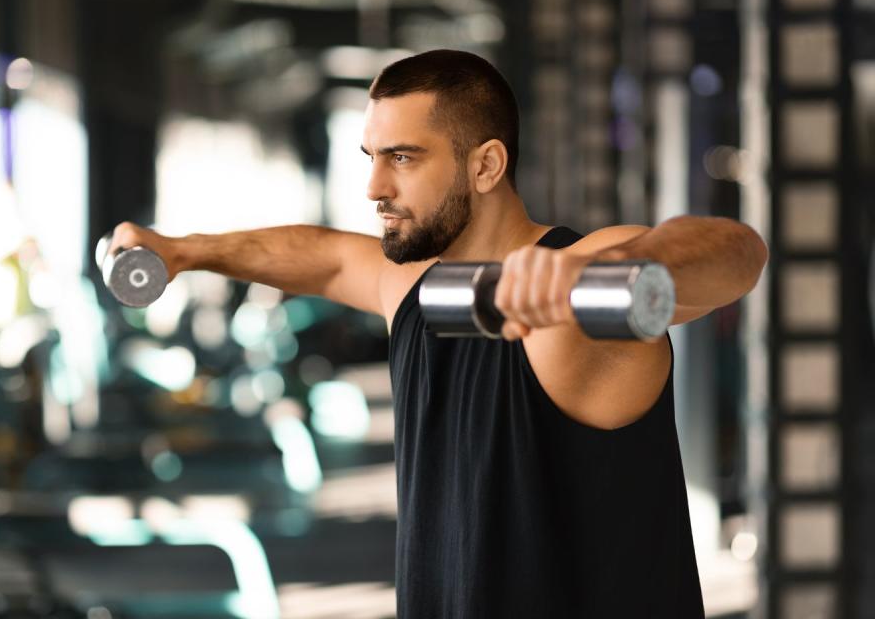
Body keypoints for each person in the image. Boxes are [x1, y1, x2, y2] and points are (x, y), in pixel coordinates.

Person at [110, 49, 767, 618]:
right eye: (371, 157)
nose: (373, 186)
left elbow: (734, 253)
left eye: (402, 158)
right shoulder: (420, 291)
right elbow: (326, 256)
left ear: (485, 166)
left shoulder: (581, 289)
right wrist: (183, 250)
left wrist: (600, 270)